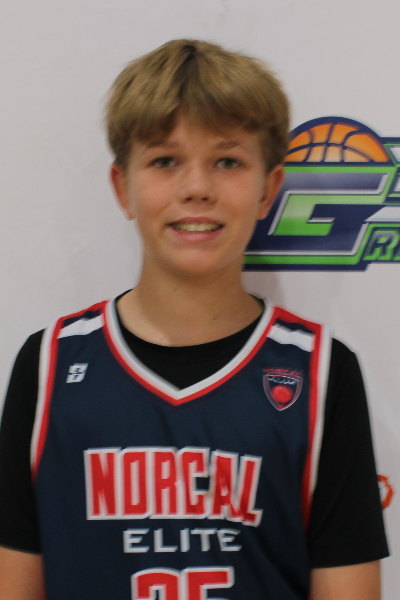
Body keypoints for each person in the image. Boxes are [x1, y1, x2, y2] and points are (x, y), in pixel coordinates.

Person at [0, 39, 388, 600]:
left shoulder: (322, 373)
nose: (197, 188)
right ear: (123, 188)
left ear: (268, 189)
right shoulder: (50, 365)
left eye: (227, 161)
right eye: (165, 160)